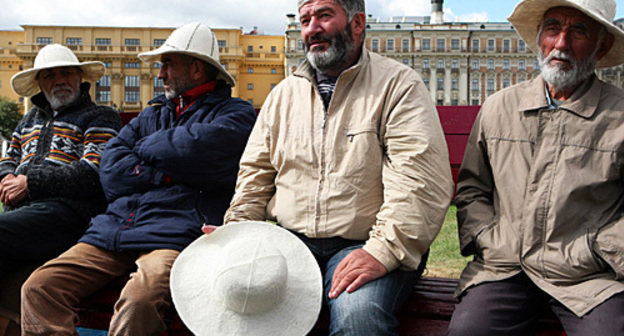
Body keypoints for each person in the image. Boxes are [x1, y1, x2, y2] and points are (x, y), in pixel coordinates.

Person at [218, 0, 454, 334]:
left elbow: (420, 181)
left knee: (358, 316)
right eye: (305, 19)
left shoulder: (398, 85)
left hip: (368, 242)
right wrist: (238, 233)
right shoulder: (284, 94)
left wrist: (381, 251)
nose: (312, 28)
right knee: (242, 304)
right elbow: (255, 173)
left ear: (357, 24)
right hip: (292, 244)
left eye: (324, 15)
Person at [21, 22, 256, 335]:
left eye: (167, 64)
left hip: (174, 233)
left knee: (140, 300)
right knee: (38, 288)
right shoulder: (151, 114)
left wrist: (143, 150)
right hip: (116, 229)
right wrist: (172, 171)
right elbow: (112, 171)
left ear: (197, 69)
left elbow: (198, 151)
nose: (159, 74)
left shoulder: (236, 113)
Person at [447, 0, 624, 335]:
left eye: (579, 31)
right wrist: (488, 238)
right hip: (505, 269)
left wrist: (598, 250)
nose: (561, 43)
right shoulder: (500, 107)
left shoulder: (619, 116)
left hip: (588, 278)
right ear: (540, 36)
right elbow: (472, 189)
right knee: (469, 331)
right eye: (553, 28)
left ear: (602, 47)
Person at [0, 43, 121, 332]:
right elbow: (7, 159)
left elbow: (93, 172)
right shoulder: (28, 120)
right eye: (50, 75)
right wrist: (7, 179)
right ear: (40, 83)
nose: (59, 80)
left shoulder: (100, 117)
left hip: (69, 214)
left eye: (67, 73)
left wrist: (30, 183)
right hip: (28, 216)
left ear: (80, 78)